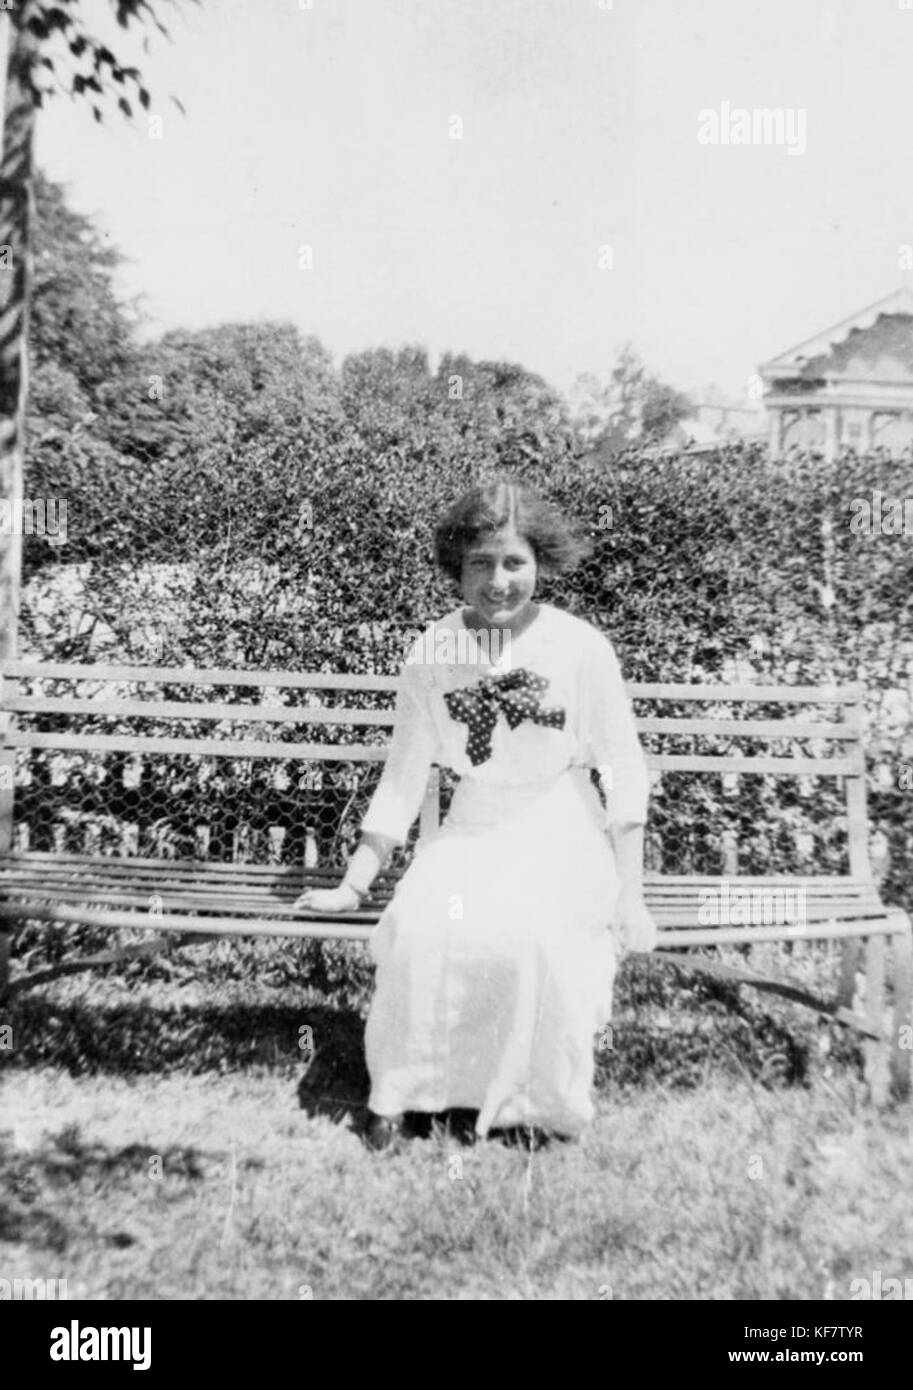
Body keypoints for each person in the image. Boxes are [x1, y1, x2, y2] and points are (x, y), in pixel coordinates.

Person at [294, 479, 656, 1148]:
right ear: (455, 568)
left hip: (560, 831)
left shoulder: (580, 648)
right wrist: (354, 883)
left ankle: (533, 1106)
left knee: (537, 935)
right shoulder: (433, 649)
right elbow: (403, 774)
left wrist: (629, 897)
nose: (497, 581)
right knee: (422, 929)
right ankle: (405, 1094)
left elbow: (624, 771)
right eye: (479, 564)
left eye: (513, 562)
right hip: (473, 827)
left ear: (540, 564)